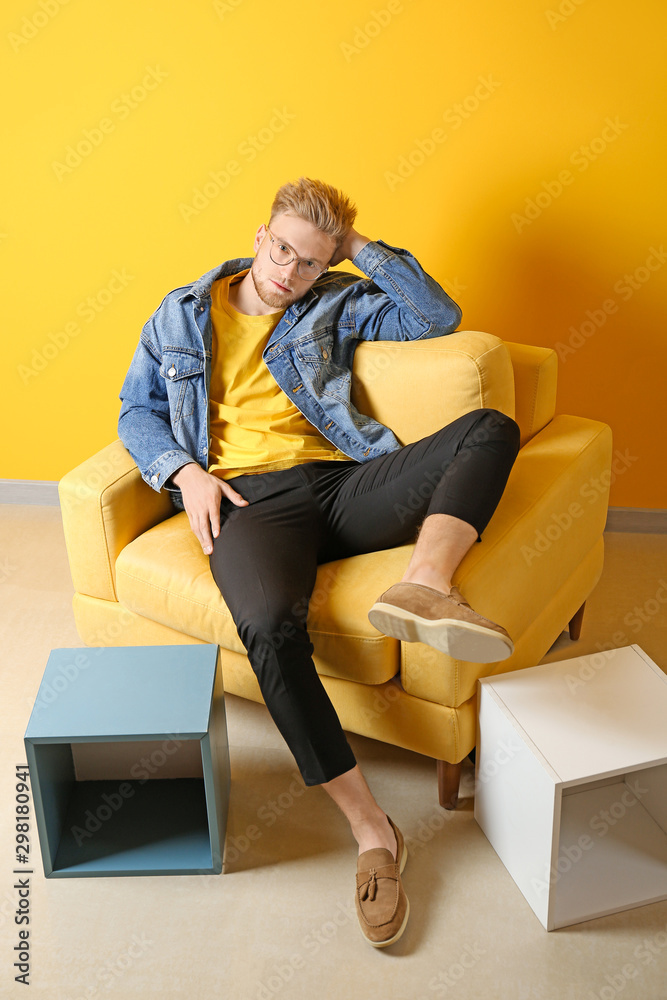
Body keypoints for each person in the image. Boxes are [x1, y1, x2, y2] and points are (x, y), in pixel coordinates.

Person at [118, 177, 520, 947]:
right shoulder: (180, 312)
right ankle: (375, 833)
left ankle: (424, 585)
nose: (288, 273)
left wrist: (358, 247)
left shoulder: (334, 297)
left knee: (488, 428)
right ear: (258, 234)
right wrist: (184, 471)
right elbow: (136, 409)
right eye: (280, 251)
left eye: (310, 261)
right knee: (269, 626)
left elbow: (435, 315)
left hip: (342, 483)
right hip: (248, 505)